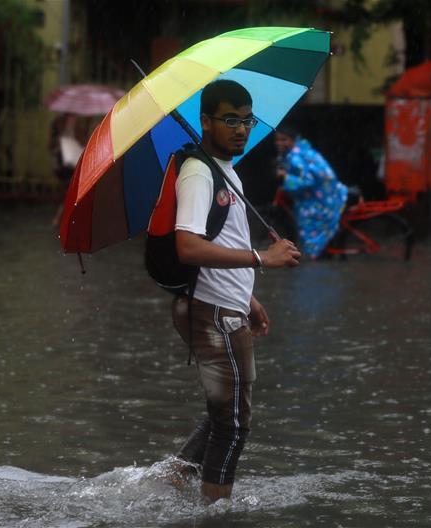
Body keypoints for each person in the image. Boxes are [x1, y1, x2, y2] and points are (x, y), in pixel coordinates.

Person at [171, 80, 301, 503]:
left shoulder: (225, 170)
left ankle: (174, 478)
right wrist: (263, 258)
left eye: (247, 120)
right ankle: (215, 510)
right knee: (234, 424)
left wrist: (248, 298)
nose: (242, 129)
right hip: (214, 314)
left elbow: (225, 240)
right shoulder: (198, 173)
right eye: (230, 120)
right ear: (205, 121)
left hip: (228, 306)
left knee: (223, 414)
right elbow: (188, 246)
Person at [274, 127, 348, 258]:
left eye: (284, 139)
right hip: (331, 194)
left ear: (293, 140)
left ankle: (319, 254)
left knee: (310, 225)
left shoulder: (295, 156)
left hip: (321, 200)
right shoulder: (303, 152)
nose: (279, 143)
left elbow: (308, 181)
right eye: (278, 140)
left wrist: (286, 177)